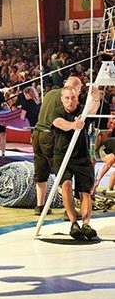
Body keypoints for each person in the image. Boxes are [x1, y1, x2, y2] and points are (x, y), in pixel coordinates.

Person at [50, 85, 99, 240]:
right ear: (62, 99)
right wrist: (73, 125)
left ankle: (86, 224)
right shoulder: (57, 111)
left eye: (73, 98)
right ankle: (73, 223)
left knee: (85, 191)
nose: (70, 101)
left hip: (82, 156)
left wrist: (96, 97)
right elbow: (59, 123)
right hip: (63, 155)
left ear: (77, 98)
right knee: (66, 184)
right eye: (67, 98)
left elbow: (93, 110)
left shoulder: (82, 110)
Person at [32, 76, 82, 215]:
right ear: (76, 88)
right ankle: (69, 210)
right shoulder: (66, 97)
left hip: (37, 133)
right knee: (63, 171)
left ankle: (40, 206)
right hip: (51, 136)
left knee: (41, 171)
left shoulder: (50, 93)